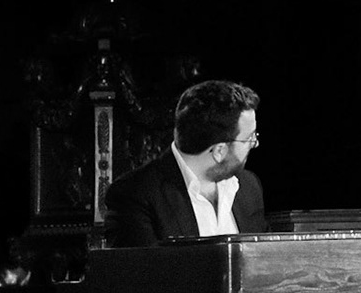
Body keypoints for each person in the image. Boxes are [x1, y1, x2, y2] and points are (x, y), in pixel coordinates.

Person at [104, 79, 268, 245]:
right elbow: (144, 269)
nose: (255, 143)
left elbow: (263, 262)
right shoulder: (134, 196)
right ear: (219, 151)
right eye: (249, 138)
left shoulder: (249, 187)